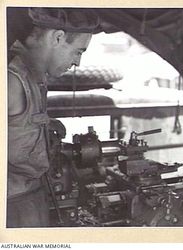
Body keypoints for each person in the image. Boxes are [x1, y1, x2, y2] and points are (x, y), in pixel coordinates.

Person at [7, 7, 99, 227]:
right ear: (58, 37)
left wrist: (43, 128)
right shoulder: (9, 82)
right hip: (12, 206)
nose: (78, 63)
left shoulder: (34, 75)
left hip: (30, 198)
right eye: (78, 51)